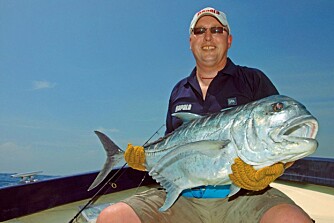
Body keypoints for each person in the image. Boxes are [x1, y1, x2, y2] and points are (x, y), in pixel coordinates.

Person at [97, 7, 314, 223]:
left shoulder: (252, 79)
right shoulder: (178, 90)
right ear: (191, 40)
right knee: (112, 217)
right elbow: (170, 144)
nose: (208, 37)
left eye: (217, 30)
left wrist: (272, 170)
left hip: (246, 197)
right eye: (200, 31)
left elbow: (286, 145)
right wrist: (144, 159)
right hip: (183, 196)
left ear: (229, 39)